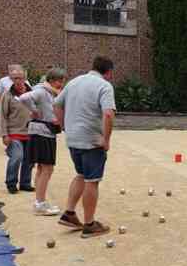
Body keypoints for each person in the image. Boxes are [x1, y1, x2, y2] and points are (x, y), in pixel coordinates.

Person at [54, 56, 116, 238]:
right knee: (92, 180)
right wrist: (106, 139)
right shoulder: (104, 86)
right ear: (109, 72)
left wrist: (63, 126)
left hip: (73, 139)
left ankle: (69, 213)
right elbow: (108, 115)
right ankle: (89, 224)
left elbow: (57, 104)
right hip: (91, 141)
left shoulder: (74, 82)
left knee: (81, 174)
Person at [18, 66, 67, 216]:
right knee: (47, 168)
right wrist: (34, 111)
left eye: (62, 81)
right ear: (51, 80)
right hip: (43, 132)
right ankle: (40, 204)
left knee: (42, 168)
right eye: (59, 81)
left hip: (43, 132)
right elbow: (24, 98)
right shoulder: (42, 91)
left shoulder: (50, 92)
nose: (62, 84)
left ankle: (40, 202)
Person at [0, 65, 34, 194]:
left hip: (30, 132)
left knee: (29, 159)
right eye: (14, 78)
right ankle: (11, 182)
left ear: (25, 78)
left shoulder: (32, 93)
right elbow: (2, 115)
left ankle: (25, 183)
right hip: (14, 133)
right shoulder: (7, 95)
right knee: (17, 157)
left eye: (20, 78)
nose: (17, 81)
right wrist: (4, 134)